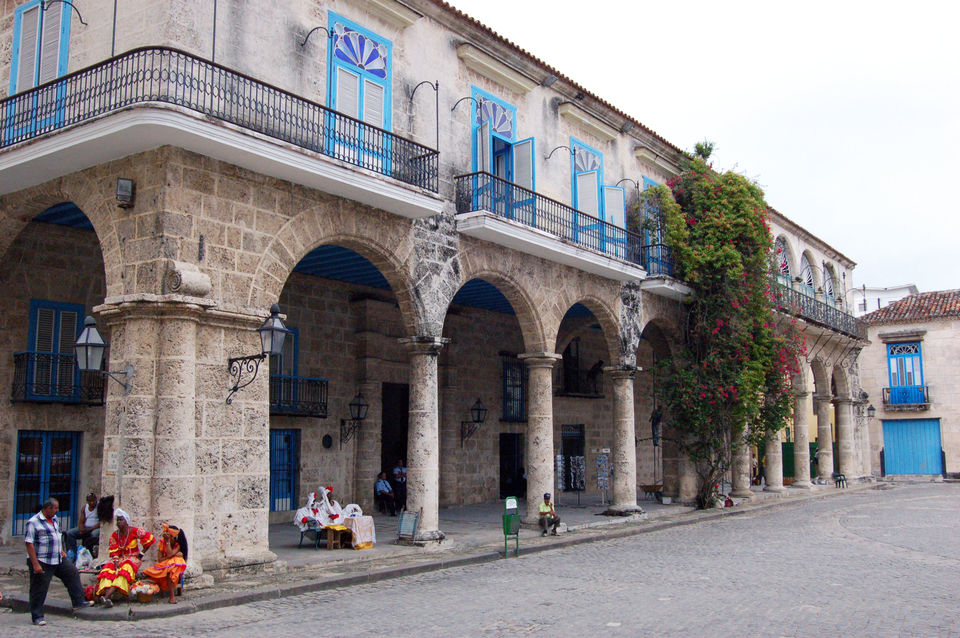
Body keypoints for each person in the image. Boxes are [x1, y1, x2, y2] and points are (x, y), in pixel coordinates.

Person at [24, 497, 93, 626]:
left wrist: (61, 550)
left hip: (57, 557)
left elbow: (57, 536)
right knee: (39, 588)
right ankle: (37, 616)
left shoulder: (55, 519)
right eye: (55, 508)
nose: (57, 510)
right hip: (42, 560)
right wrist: (35, 564)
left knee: (72, 573)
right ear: (48, 509)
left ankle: (79, 601)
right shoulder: (33, 522)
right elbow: (29, 544)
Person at [95, 508, 156, 607]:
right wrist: (115, 562)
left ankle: (106, 597)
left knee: (124, 571)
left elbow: (150, 539)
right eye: (117, 520)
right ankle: (108, 597)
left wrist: (141, 554)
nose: (119, 522)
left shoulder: (135, 531)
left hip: (132, 559)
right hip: (119, 558)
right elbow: (114, 551)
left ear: (126, 521)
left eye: (121, 520)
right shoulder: (115, 535)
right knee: (107, 569)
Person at [142, 524, 188, 604]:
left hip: (174, 568)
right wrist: (171, 555)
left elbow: (169, 554)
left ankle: (172, 597)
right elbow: (160, 560)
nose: (166, 537)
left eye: (168, 536)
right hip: (164, 565)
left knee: (171, 570)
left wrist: (168, 544)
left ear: (174, 537)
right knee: (165, 569)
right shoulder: (162, 542)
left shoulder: (177, 545)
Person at [64, 492, 100, 560]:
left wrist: (89, 530)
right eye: (90, 501)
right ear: (87, 501)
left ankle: (91, 554)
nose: (91, 503)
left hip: (95, 528)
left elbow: (101, 523)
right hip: (86, 528)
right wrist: (81, 529)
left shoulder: (99, 507)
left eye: (93, 500)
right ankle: (72, 553)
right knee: (70, 533)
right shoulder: (84, 508)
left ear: (96, 500)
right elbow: (81, 521)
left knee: (94, 534)